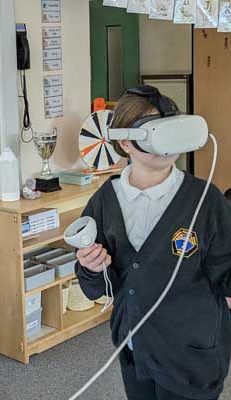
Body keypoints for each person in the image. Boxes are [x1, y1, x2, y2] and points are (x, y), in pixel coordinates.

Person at [76, 87, 231, 400]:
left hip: (191, 357)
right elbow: (98, 287)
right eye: (153, 134)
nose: (166, 144)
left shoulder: (205, 200)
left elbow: (226, 273)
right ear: (124, 142)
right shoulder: (105, 202)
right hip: (136, 350)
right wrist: (90, 267)